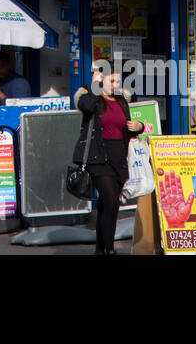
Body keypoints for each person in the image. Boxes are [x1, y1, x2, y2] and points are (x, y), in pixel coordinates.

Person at [74, 65, 145, 254]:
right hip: (98, 157)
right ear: (101, 80)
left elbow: (128, 128)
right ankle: (110, 249)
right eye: (111, 81)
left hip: (118, 157)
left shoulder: (122, 101)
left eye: (118, 82)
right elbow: (86, 107)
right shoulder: (89, 97)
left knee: (107, 204)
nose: (116, 85)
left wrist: (139, 126)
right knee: (112, 201)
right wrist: (95, 87)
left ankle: (100, 248)